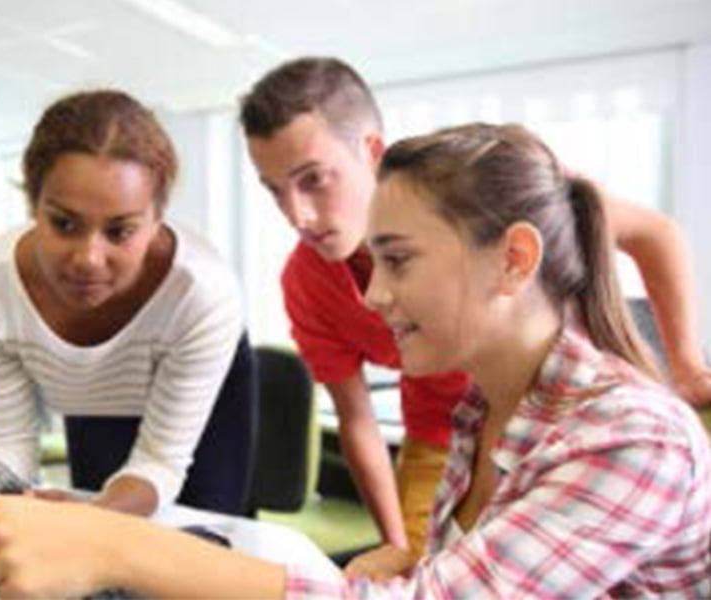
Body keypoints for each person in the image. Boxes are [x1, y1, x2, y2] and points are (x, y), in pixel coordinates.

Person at [0, 123, 711, 599]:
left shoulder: (631, 439)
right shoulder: (485, 407)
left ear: (514, 261)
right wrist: (419, 561)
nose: (374, 297)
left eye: (399, 260)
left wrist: (113, 548)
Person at [238, 56, 711, 576]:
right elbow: (359, 422)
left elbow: (654, 234)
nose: (296, 214)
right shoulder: (471, 416)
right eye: (274, 190)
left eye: (314, 179)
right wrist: (400, 550)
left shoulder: (485, 193)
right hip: (453, 433)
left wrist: (685, 366)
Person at [0, 89, 254, 517]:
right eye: (63, 224)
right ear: (32, 204)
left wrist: (87, 522)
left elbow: (160, 462)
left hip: (197, 390)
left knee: (204, 536)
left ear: (157, 219)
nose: (87, 261)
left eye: (120, 232)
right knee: (97, 515)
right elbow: (10, 451)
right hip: (93, 386)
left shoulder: (204, 294)